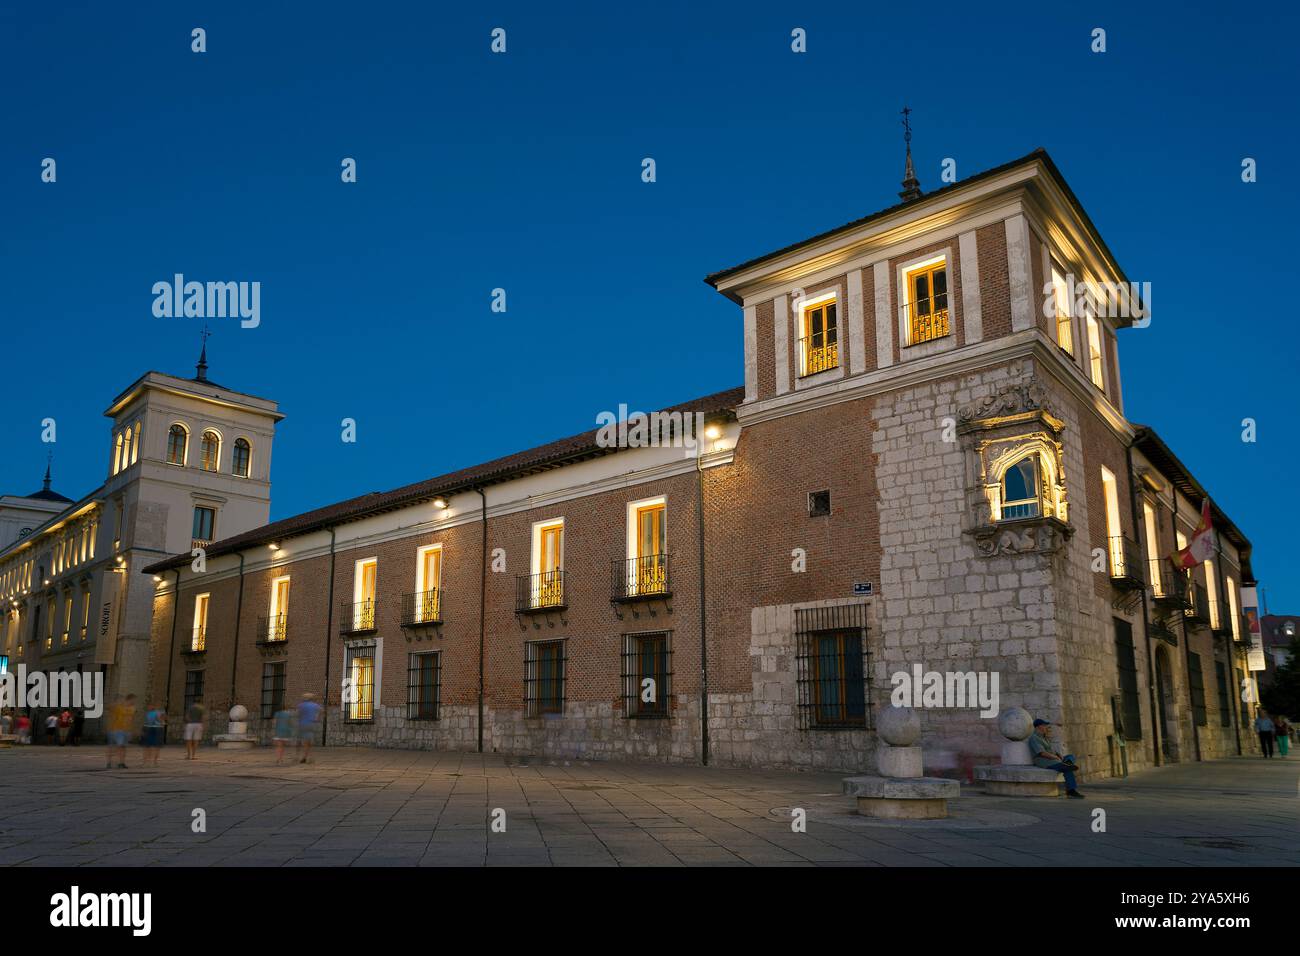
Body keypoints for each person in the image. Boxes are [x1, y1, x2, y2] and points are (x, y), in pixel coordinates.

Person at [1028, 717, 1084, 798]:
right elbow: (1042, 753)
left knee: (1071, 756)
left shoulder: (1044, 737)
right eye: (1044, 725)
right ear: (1038, 727)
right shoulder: (1034, 738)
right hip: (1044, 761)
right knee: (1067, 768)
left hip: (1054, 760)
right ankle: (1071, 791)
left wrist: (1058, 755)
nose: (1046, 727)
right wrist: (1054, 757)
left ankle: (1066, 765)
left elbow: (1051, 750)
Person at [106, 694, 135, 768]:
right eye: (132, 699)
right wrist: (116, 703)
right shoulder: (118, 707)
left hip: (125, 730)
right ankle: (110, 762)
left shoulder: (131, 708)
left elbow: (130, 719)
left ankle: (121, 763)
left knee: (123, 747)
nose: (133, 701)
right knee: (116, 747)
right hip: (116, 729)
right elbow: (108, 708)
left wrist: (131, 730)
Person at [296, 693, 321, 764]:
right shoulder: (314, 705)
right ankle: (308, 757)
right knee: (308, 742)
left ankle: (299, 756)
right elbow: (322, 711)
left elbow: (298, 713)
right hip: (311, 724)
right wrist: (316, 718)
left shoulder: (301, 705)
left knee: (300, 741)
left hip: (302, 725)